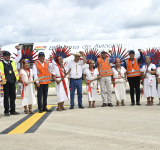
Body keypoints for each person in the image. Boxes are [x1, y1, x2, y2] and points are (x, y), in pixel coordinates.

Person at [0, 45, 22, 116]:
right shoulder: (0, 63)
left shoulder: (13, 62)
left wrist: (18, 49)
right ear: (3, 57)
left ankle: (12, 110)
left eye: (9, 55)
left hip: (12, 82)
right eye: (6, 56)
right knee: (6, 98)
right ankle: (6, 111)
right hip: (5, 83)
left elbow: (19, 57)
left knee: (13, 97)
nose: (8, 57)